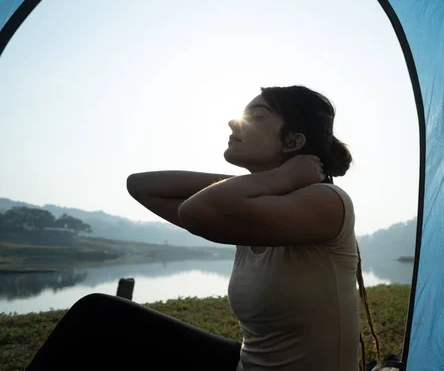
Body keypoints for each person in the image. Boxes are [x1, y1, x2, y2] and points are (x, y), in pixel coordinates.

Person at [26, 86, 381, 371]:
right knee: (101, 317)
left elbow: (198, 210)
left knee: (98, 317)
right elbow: (141, 185)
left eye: (258, 116)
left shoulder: (326, 202)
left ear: (293, 142)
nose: (234, 122)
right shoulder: (252, 209)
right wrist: (273, 178)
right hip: (246, 363)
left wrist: (276, 179)